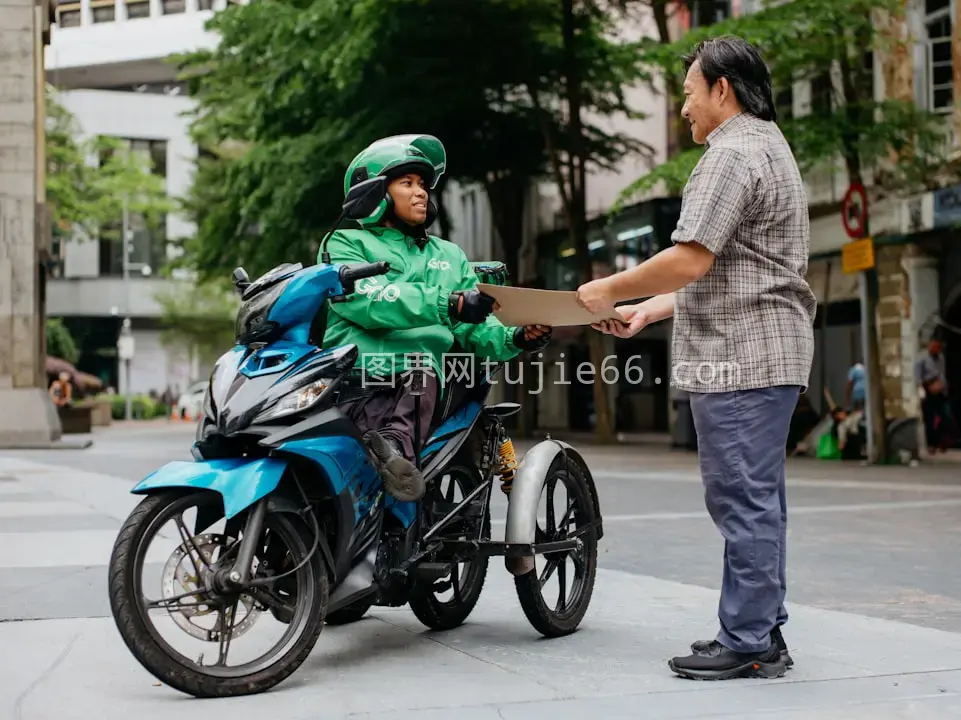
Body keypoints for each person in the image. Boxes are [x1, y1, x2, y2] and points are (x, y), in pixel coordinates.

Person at [582, 37, 816, 680]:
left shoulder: (731, 153)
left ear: (722, 90)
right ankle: (762, 630)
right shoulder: (772, 148)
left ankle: (746, 639)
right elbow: (738, 270)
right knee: (759, 498)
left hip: (740, 356)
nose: (684, 108)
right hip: (770, 348)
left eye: (689, 93)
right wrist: (652, 309)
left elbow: (693, 257)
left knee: (741, 498)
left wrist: (605, 288)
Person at [320, 134, 551, 502]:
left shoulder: (450, 255)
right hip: (354, 375)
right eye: (407, 183)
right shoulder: (345, 244)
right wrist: (450, 302)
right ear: (375, 193)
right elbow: (369, 300)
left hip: (418, 377)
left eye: (423, 185)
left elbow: (475, 329)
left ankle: (394, 453)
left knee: (420, 370)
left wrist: (517, 338)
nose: (421, 193)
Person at [915, 337, 952, 453]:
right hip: (928, 390)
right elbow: (918, 377)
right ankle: (931, 444)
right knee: (929, 419)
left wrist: (943, 386)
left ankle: (942, 441)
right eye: (934, 346)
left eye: (938, 347)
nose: (936, 349)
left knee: (945, 416)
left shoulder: (940, 358)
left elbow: (942, 373)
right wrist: (924, 388)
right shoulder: (922, 359)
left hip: (940, 390)